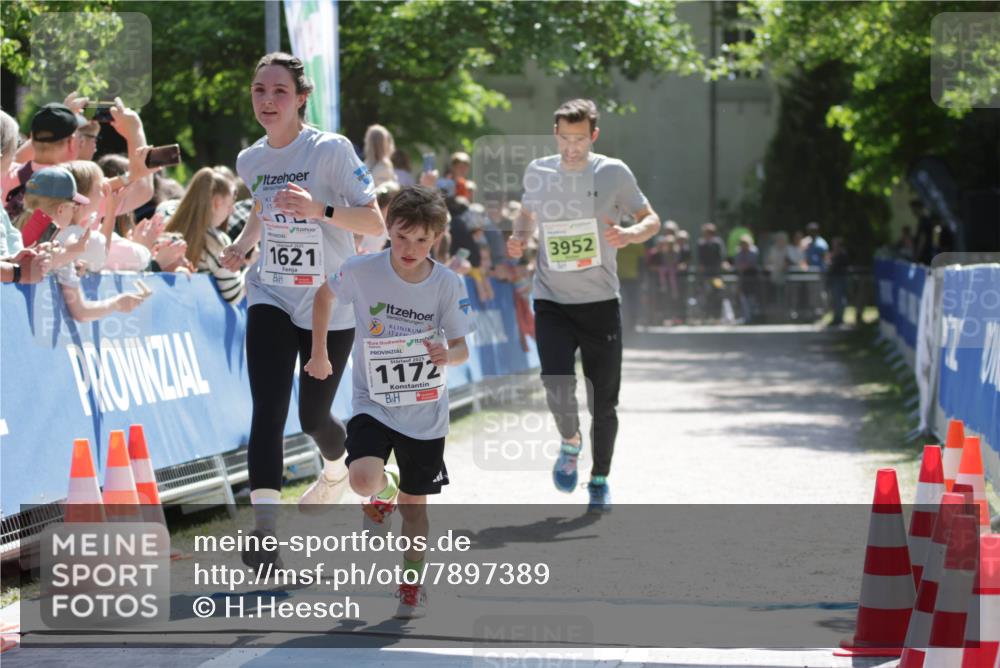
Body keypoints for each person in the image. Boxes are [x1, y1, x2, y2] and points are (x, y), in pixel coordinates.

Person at [219, 52, 384, 567]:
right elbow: (266, 216)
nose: (267, 101)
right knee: (267, 406)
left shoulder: (331, 151)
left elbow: (374, 222)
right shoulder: (250, 159)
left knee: (314, 416)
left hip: (328, 299)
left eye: (279, 92)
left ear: (301, 98)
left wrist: (321, 210)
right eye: (258, 91)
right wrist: (242, 245)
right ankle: (265, 532)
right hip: (270, 289)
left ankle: (337, 468)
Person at [304, 185, 473, 619]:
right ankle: (383, 490)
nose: (409, 248)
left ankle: (411, 583)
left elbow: (461, 349)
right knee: (361, 479)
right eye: (401, 237)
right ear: (389, 230)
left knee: (415, 512)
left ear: (435, 238)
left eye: (420, 240)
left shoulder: (447, 283)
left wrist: (445, 355)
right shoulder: (362, 270)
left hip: (425, 414)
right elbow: (324, 296)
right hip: (373, 403)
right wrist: (319, 352)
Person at [507, 98, 661, 512]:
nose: (571, 147)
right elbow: (527, 213)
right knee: (556, 382)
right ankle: (570, 442)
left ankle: (599, 478)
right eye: (564, 137)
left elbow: (652, 219)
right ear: (554, 134)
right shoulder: (539, 172)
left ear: (593, 135)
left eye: (579, 139)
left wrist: (630, 235)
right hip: (552, 299)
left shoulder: (613, 172)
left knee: (604, 401)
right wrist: (520, 237)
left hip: (600, 303)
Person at [21, 167, 147, 321]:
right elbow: (81, 312)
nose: (76, 210)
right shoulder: (64, 246)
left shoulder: (13, 232)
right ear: (61, 210)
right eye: (74, 207)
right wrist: (117, 303)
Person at [167, 167, 247, 303]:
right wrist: (249, 271)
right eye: (229, 206)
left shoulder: (170, 227)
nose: (232, 211)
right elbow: (233, 295)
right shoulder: (217, 241)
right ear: (216, 203)